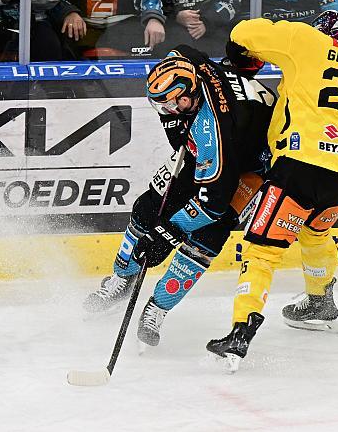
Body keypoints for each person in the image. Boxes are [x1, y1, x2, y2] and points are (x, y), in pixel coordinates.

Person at [206, 11, 338, 372]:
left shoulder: (309, 41)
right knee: (316, 234)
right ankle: (320, 301)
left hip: (301, 165)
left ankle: (241, 329)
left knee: (262, 250)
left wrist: (244, 55)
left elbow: (246, 32)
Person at [83, 44, 276, 349]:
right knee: (148, 208)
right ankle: (122, 279)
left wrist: (166, 235)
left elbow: (212, 202)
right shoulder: (192, 69)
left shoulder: (212, 131)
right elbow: (181, 49)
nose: (166, 113)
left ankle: (157, 308)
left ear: (187, 97)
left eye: (171, 106)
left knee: (209, 235)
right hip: (227, 140)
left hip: (250, 165)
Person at [61, 0, 166, 59]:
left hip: (126, 23)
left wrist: (153, 17)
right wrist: (68, 11)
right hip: (81, 25)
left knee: (157, 40)